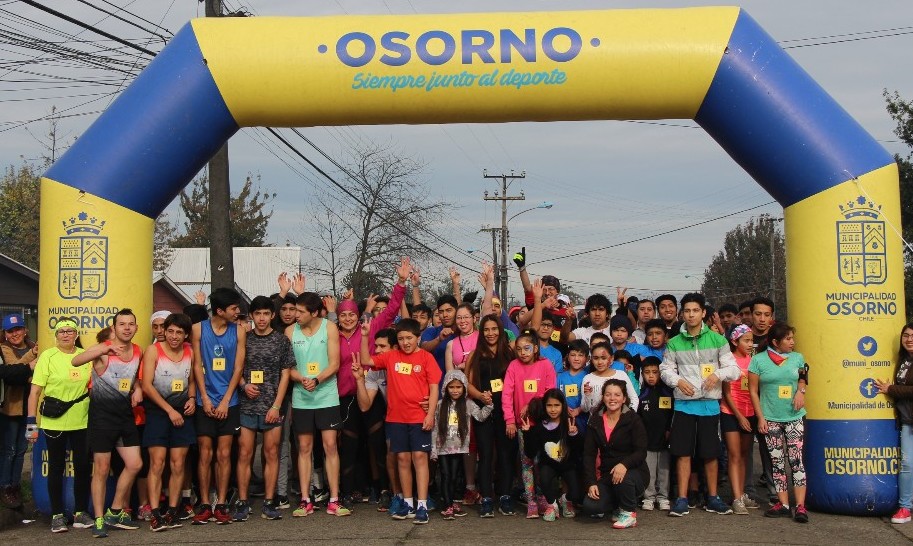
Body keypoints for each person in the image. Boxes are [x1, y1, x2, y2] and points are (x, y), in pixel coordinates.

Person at [659, 292, 740, 517]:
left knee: (710, 453)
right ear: (681, 314)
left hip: (710, 406)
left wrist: (718, 375)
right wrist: (678, 381)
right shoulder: (674, 342)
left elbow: (734, 369)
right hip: (684, 406)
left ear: (703, 313)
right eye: (687, 311)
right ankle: (682, 499)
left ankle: (712, 498)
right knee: (683, 453)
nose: (691, 315)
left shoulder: (718, 340)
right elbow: (665, 370)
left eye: (695, 310)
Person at [359, 317, 442, 525]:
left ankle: (422, 504)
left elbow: (434, 388)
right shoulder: (391, 357)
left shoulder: (426, 358)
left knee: (419, 459)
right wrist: (364, 335)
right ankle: (407, 503)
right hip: (395, 419)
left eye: (410, 338)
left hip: (419, 419)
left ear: (418, 337)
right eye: (402, 338)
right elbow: (367, 360)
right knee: (402, 461)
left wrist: (430, 414)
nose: (406, 342)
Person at [72, 309, 144, 537]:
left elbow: (131, 379)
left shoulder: (138, 351)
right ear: (114, 328)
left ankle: (114, 510)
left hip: (125, 416)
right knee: (102, 469)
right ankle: (99, 519)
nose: (127, 328)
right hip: (102, 418)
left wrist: (138, 389)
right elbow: (76, 360)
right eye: (122, 324)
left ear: (136, 327)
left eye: (131, 324)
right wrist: (103, 349)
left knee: (135, 465)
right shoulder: (104, 350)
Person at [25, 320, 92, 533]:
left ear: (76, 334)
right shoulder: (48, 356)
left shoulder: (84, 355)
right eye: (61, 331)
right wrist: (30, 423)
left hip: (82, 421)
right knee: (55, 467)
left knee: (82, 467)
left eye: (69, 331)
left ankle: (80, 512)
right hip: (54, 421)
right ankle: (57, 515)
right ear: (56, 335)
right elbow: (35, 392)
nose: (65, 335)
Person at [287, 292, 348, 517]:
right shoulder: (290, 332)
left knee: (330, 446)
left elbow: (335, 363)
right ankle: (305, 499)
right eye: (295, 310)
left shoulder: (329, 328)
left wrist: (317, 379)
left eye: (300, 311)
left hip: (326, 396)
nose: (296, 315)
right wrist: (299, 378)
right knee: (304, 448)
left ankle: (334, 499)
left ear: (314, 312)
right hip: (302, 397)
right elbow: (288, 367)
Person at [191, 288, 247, 525]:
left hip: (230, 402)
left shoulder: (240, 331)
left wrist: (225, 400)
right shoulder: (198, 329)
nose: (238, 312)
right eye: (234, 308)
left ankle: (222, 503)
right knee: (205, 453)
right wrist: (204, 397)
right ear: (220, 310)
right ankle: (205, 503)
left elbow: (238, 368)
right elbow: (196, 365)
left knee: (224, 454)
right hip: (205, 400)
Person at [236, 296, 294, 522]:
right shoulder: (244, 339)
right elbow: (236, 368)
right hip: (246, 406)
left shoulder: (281, 340)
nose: (261, 318)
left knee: (271, 454)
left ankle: (270, 502)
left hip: (272, 407)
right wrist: (243, 385)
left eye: (265, 314)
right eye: (257, 313)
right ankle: (242, 502)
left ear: (272, 315)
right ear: (251, 315)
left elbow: (286, 373)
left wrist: (277, 406)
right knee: (244, 453)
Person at [140, 313, 196, 531]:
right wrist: (170, 410)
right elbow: (147, 385)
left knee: (178, 463)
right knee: (157, 463)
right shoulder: (153, 350)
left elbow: (191, 381)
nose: (173, 336)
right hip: (158, 412)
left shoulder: (190, 351)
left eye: (179, 332)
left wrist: (191, 398)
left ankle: (172, 511)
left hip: (182, 412)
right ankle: (155, 514)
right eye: (170, 331)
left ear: (185, 335)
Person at [748, 322, 809, 523]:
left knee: (796, 461)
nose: (792, 342)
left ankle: (800, 506)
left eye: (793, 338)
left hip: (794, 417)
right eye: (788, 339)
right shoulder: (758, 361)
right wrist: (760, 417)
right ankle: (782, 504)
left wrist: (801, 392)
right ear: (775, 341)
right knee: (777, 463)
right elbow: (753, 391)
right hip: (770, 418)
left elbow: (803, 378)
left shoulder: (797, 358)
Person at [502, 328, 557, 519]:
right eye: (519, 349)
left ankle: (543, 497)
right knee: (526, 462)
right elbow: (506, 394)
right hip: (522, 425)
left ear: (535, 348)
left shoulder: (546, 365)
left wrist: (531, 404)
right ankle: (531, 500)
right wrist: (510, 420)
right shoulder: (513, 366)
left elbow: (550, 392)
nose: (523, 352)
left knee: (541, 461)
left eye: (527, 348)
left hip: (543, 423)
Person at [465, 314, 516, 517]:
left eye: (494, 329)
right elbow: (467, 383)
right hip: (482, 412)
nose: (490, 333)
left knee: (505, 455)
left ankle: (505, 496)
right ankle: (486, 497)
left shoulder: (509, 353)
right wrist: (479, 395)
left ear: (501, 330)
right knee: (485, 455)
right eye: (486, 329)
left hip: (506, 412)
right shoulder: (474, 355)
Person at [581, 379, 649, 529]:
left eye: (617, 395)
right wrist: (591, 482)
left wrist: (624, 465)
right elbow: (589, 455)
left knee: (623, 479)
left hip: (634, 473)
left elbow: (641, 451)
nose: (612, 399)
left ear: (624, 398)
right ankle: (618, 505)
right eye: (608, 395)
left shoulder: (633, 419)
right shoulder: (595, 420)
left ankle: (628, 512)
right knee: (590, 506)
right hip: (607, 474)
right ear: (603, 397)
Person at [430, 369, 493, 520]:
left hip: (459, 448)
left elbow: (480, 416)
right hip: (443, 448)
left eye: (458, 387)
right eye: (451, 387)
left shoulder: (468, 404)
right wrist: (433, 449)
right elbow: (435, 429)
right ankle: (447, 506)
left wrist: (489, 405)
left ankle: (451, 502)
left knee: (454, 477)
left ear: (464, 387)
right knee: (445, 475)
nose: (455, 390)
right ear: (445, 387)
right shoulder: (439, 405)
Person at [353, 328, 400, 513]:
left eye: (383, 346)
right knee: (391, 452)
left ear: (395, 348)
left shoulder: (407, 361)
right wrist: (359, 380)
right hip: (394, 418)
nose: (378, 350)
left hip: (417, 415)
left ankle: (424, 492)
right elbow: (365, 405)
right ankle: (396, 494)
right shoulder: (374, 371)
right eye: (376, 346)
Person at [519, 390, 582, 521]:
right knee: (544, 478)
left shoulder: (569, 424)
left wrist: (574, 435)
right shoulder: (539, 428)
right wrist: (527, 434)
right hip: (548, 465)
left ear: (563, 406)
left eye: (556, 405)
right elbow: (530, 453)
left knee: (576, 492)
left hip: (567, 465)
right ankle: (552, 504)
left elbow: (578, 450)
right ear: (544, 407)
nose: (553, 409)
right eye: (549, 405)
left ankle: (564, 500)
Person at [876, 322, 913, 525]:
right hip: (907, 421)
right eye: (906, 335)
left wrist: (890, 389)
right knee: (907, 464)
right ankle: (905, 507)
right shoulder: (902, 360)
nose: (909, 339)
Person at [721, 324, 760, 515]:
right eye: (746, 340)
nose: (750, 344)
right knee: (734, 455)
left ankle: (742, 493)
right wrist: (739, 415)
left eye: (751, 340)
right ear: (734, 341)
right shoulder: (729, 361)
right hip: (731, 412)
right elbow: (726, 393)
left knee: (745, 455)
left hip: (750, 412)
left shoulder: (754, 361)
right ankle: (736, 498)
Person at [0, 313, 37, 509]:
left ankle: (15, 486)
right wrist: (31, 362)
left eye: (18, 329)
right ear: (5, 333)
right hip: (9, 408)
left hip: (28, 408)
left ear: (25, 330)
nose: (15, 334)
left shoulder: (32, 347)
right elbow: (12, 372)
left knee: (22, 450)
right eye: (10, 331)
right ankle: (5, 486)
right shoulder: (3, 349)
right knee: (9, 450)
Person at [637, 357, 673, 512]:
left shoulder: (668, 391)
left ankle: (663, 497)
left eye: (655, 372)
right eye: (647, 372)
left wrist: (669, 430)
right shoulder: (641, 393)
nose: (651, 376)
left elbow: (672, 414)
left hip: (664, 438)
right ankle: (648, 497)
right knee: (649, 469)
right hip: (647, 439)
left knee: (664, 469)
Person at [580, 342, 638, 414]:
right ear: (591, 359)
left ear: (611, 358)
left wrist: (629, 416)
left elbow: (633, 398)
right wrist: (587, 395)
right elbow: (585, 409)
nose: (600, 362)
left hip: (621, 422)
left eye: (603, 358)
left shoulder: (621, 375)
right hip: (597, 423)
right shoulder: (588, 379)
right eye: (596, 358)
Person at [420, 295, 458, 376]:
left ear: (456, 311)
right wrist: (439, 339)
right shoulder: (432, 331)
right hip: (436, 385)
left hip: (459, 386)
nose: (445, 315)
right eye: (441, 312)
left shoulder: (463, 333)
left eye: (449, 310)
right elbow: (423, 348)